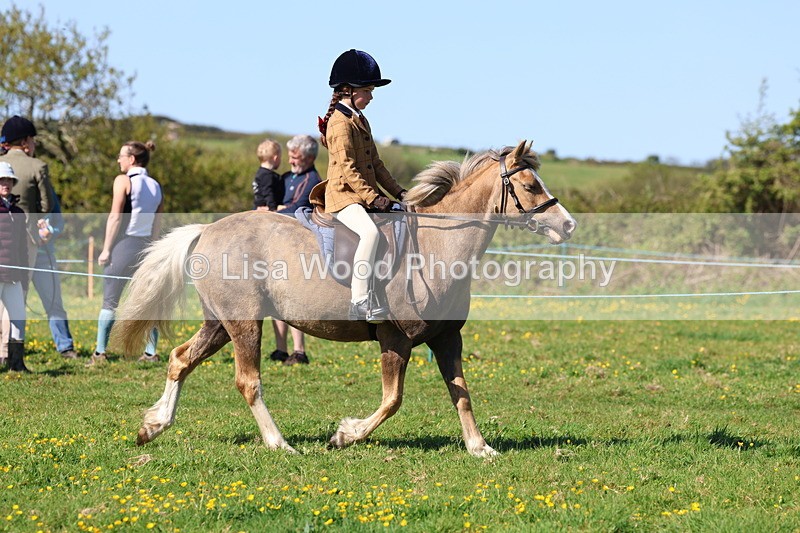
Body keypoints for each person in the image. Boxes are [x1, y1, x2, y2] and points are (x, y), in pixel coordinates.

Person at [316, 49, 406, 323]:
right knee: (370, 234)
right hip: (344, 198)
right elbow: (348, 168)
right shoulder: (339, 123)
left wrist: (400, 193)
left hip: (362, 197)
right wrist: (375, 198)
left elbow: (376, 165)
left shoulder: (360, 119)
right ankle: (359, 300)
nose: (371, 96)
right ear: (347, 90)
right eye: (367, 90)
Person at [88, 141, 163, 366]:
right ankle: (151, 353)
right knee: (149, 302)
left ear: (131, 159)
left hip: (124, 245)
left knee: (110, 301)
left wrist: (107, 249)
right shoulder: (156, 186)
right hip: (147, 248)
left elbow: (115, 217)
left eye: (121, 156)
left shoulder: (123, 181)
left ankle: (100, 353)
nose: (118, 160)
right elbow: (157, 225)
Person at [269, 134, 322, 366]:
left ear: (309, 157)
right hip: (277, 242)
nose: (291, 161)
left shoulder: (312, 179)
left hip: (298, 245)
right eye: (289, 156)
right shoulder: (287, 177)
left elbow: (297, 207)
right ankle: (281, 349)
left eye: (296, 157)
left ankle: (299, 351)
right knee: (274, 299)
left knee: (291, 298)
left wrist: (272, 212)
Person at [0, 116, 56, 275]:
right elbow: (47, 205)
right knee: (19, 286)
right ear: (25, 142)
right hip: (25, 234)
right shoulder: (38, 166)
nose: (34, 144)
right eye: (32, 140)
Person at [0, 162, 30, 372]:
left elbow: (22, 248)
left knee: (18, 318)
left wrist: (25, 276)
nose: (6, 184)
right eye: (2, 180)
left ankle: (16, 363)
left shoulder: (18, 213)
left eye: (9, 180)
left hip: (14, 276)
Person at [252, 139, 284, 212]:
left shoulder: (260, 172)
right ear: (275, 158)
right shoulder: (267, 175)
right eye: (280, 157)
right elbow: (268, 192)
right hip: (266, 207)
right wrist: (273, 208)